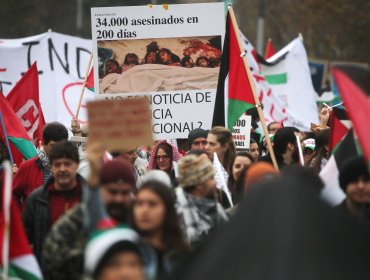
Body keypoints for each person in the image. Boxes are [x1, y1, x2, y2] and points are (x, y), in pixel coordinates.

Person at [42, 144, 137, 280]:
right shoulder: (78, 217)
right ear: (101, 189)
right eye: (112, 192)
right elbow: (52, 258)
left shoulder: (141, 220)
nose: (118, 198)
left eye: (125, 192)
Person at [22, 140, 85, 265]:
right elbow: (25, 240)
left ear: (77, 165)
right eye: (57, 164)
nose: (62, 169)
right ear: (51, 166)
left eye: (67, 164)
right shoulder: (36, 200)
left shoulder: (91, 198)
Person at [133, 180, 188, 279]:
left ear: (167, 209)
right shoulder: (128, 251)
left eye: (152, 204)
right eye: (139, 204)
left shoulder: (181, 253)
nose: (144, 210)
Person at [13, 122, 69, 211]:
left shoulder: (70, 168)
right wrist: (22, 219)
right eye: (53, 145)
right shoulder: (27, 167)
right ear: (44, 143)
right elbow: (13, 196)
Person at [175, 155, 228, 246]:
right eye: (211, 178)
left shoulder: (215, 206)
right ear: (199, 184)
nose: (215, 182)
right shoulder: (176, 213)